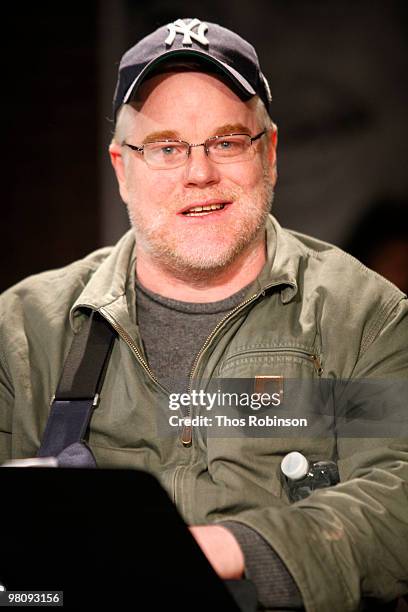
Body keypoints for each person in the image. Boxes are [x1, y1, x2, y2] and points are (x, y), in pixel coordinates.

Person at [0, 18, 407, 612]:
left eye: (226, 142)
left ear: (268, 154)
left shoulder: (361, 318)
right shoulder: (25, 330)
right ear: (122, 167)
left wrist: (218, 548)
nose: (199, 173)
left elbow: (397, 500)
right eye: (166, 147)